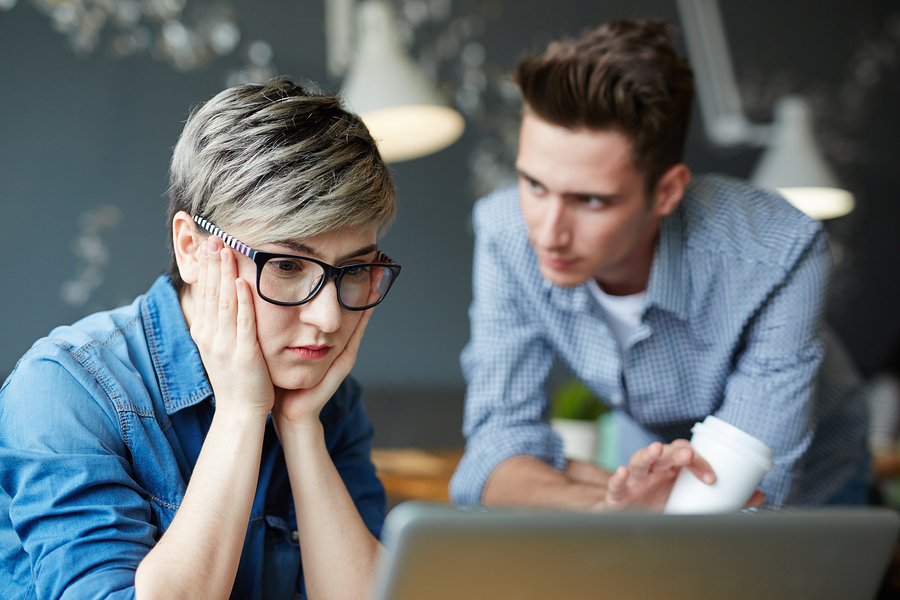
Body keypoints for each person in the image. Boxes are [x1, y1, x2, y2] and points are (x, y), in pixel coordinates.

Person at [0, 79, 402, 599]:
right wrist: (240, 413)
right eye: (285, 264)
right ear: (191, 248)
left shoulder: (329, 400)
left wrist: (301, 429)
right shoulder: (65, 392)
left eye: (353, 271)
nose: (327, 318)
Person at [449, 19, 870, 510]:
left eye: (590, 200)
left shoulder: (779, 252)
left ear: (667, 191)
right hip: (649, 459)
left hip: (817, 476)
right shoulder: (505, 232)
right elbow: (493, 451)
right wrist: (607, 510)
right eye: (535, 185)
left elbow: (750, 499)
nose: (547, 232)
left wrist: (624, 507)